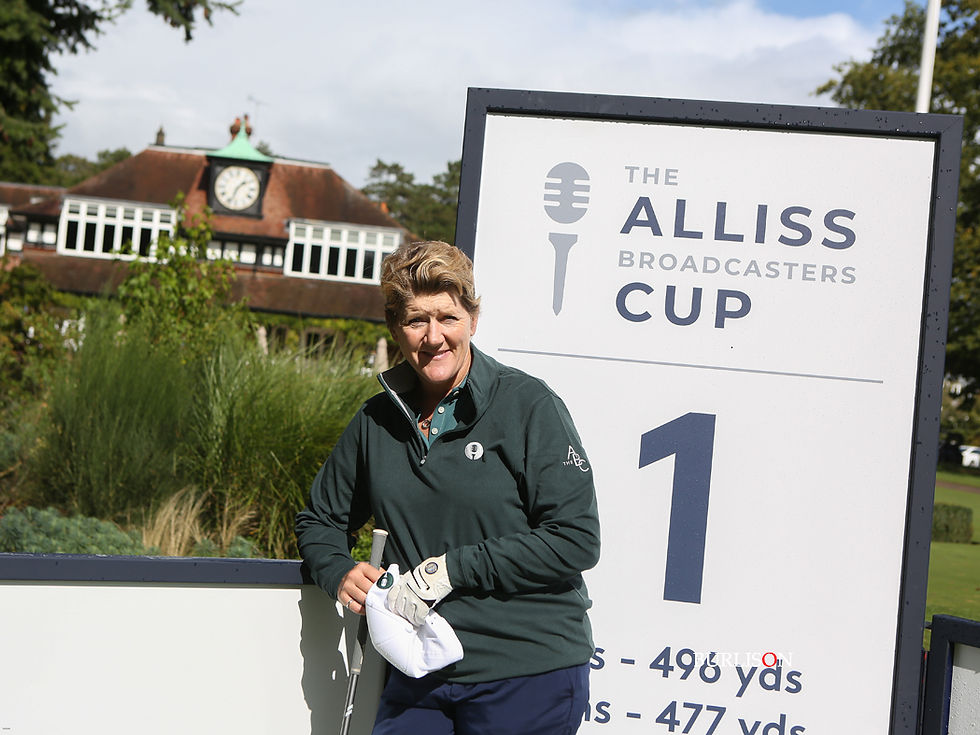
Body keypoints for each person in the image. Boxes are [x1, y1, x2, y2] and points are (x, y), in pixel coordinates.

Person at [295, 240, 600, 734]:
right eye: (417, 320)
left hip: (528, 670)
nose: (433, 337)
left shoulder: (529, 406)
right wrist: (337, 570)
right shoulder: (377, 421)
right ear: (396, 329)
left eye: (448, 318)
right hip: (420, 669)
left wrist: (452, 569)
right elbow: (320, 519)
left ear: (473, 321)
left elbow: (575, 539)